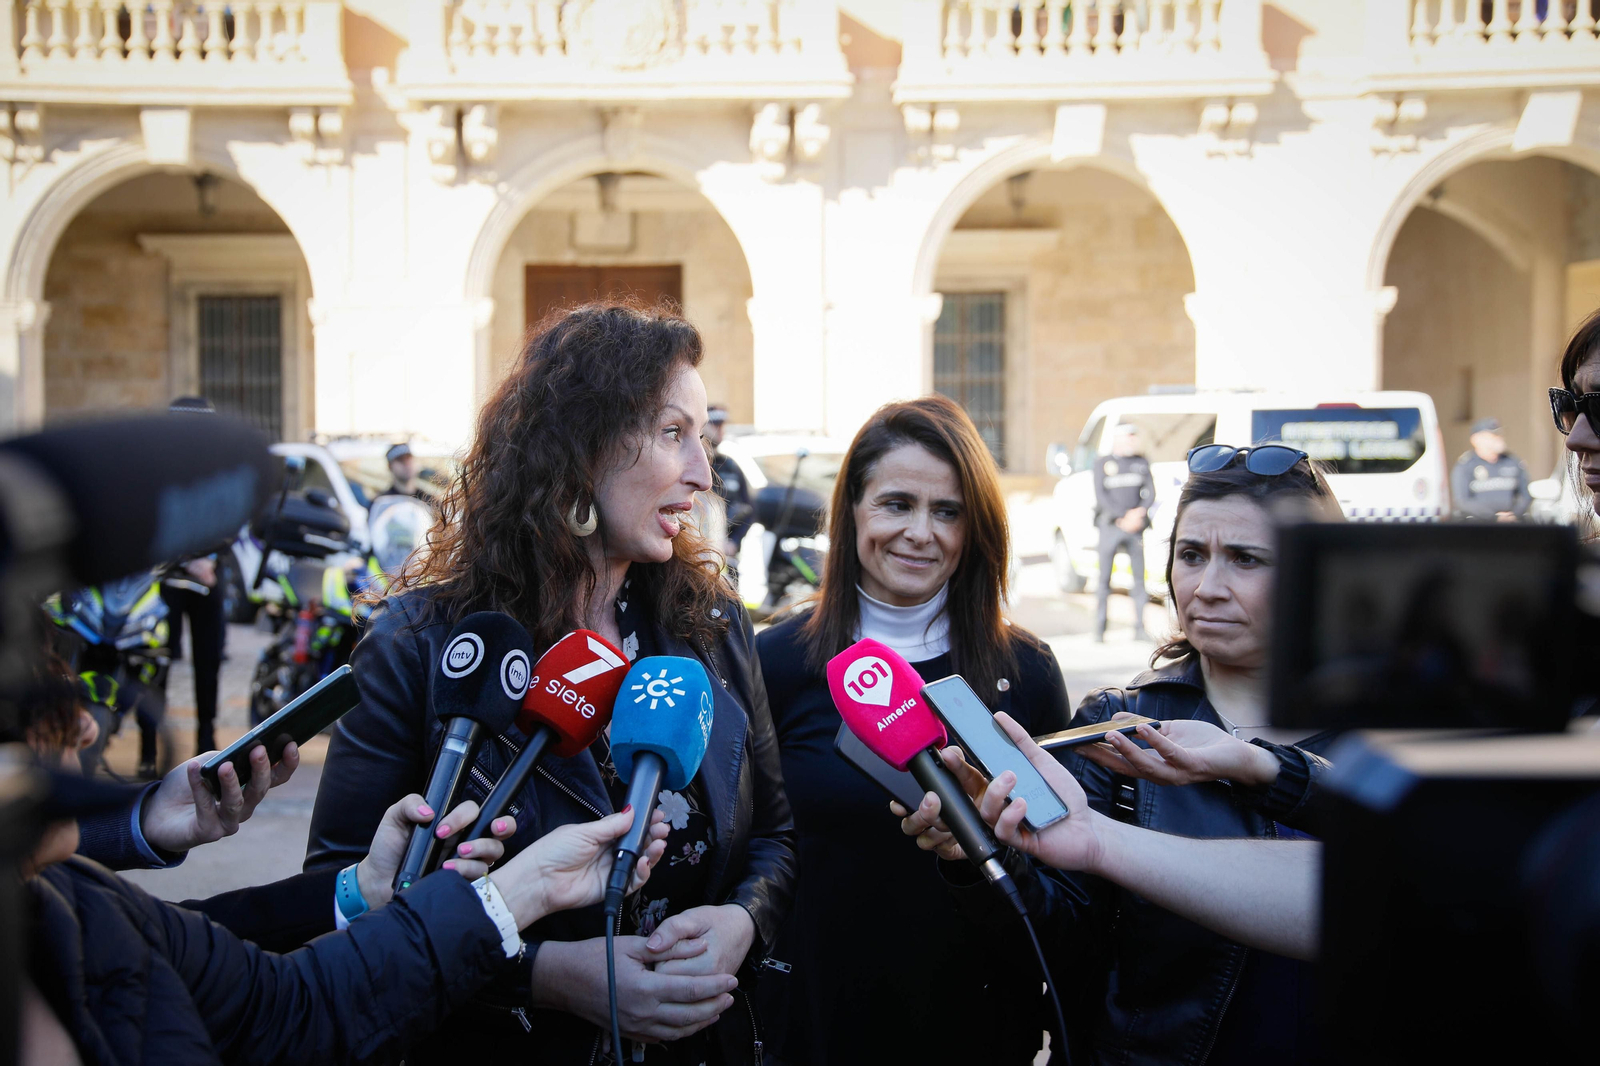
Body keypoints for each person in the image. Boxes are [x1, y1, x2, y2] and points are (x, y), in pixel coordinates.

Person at [305, 302, 796, 1065]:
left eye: (701, 438)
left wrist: (743, 921)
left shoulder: (712, 623)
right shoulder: (417, 645)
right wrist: (544, 976)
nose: (702, 473)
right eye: (674, 434)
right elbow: (339, 901)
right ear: (580, 448)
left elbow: (774, 833)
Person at [17, 627, 675, 1066]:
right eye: (29, 705)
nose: (81, 723)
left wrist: (365, 889)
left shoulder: (75, 904)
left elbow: (283, 1002)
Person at [905, 443, 1343, 1065]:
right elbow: (1059, 949)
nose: (1207, 587)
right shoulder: (1117, 725)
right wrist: (980, 855)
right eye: (1191, 555)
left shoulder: (1388, 731)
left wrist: (1266, 768)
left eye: (1245, 560)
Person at [755, 395, 1072, 1066]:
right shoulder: (776, 663)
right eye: (897, 504)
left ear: (976, 527)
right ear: (853, 512)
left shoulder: (1028, 672)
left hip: (976, 1024)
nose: (921, 533)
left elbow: (1061, 879)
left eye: (947, 511)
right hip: (814, 1023)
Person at [161, 395, 228, 759]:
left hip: (210, 578)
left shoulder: (219, 467)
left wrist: (211, 560)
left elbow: (232, 520)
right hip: (168, 579)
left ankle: (207, 737)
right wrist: (189, 562)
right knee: (156, 661)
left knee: (209, 659)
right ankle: (148, 743)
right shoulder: (159, 467)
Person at [1093, 423, 1155, 642]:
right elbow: (1101, 496)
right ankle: (1100, 630)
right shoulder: (1103, 463)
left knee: (1138, 580)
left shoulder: (1141, 462)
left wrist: (1139, 512)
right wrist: (1123, 516)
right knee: (1103, 581)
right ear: (1117, 440)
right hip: (1111, 526)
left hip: (1135, 529)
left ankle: (1139, 628)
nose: (1131, 442)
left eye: (1133, 438)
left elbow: (1150, 493)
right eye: (1127, 438)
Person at [1450, 416, 1530, 522]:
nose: (1499, 438)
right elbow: (1462, 501)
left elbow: (1525, 496)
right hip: (1480, 526)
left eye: (1499, 435)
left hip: (1511, 525)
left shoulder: (1512, 462)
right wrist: (1493, 517)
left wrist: (1513, 514)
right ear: (1476, 440)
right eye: (1493, 435)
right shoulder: (1466, 466)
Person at [705, 404, 753, 560]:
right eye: (715, 425)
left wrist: (734, 542)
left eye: (722, 426)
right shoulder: (693, 465)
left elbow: (749, 509)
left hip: (726, 557)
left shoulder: (730, 466)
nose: (720, 430)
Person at [375, 441, 432, 506]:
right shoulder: (382, 502)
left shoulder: (429, 500)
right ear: (390, 467)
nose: (406, 464)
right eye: (401, 460)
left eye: (408, 458)